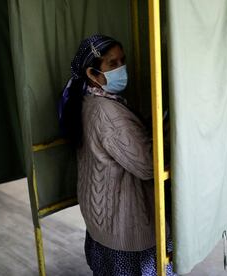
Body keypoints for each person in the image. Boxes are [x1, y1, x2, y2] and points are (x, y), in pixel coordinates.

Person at [59, 34, 175, 276]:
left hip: (105, 218)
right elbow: (147, 165)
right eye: (112, 64)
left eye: (122, 60)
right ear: (92, 73)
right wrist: (168, 129)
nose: (121, 68)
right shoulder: (106, 112)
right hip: (124, 223)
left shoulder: (91, 100)